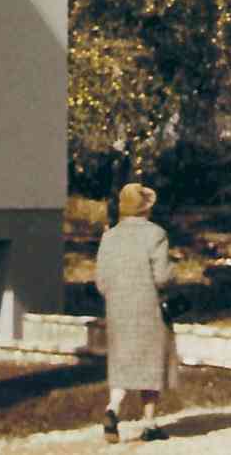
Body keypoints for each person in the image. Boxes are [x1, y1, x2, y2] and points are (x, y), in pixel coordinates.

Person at [95, 182, 175, 443]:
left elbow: (101, 281)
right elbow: (162, 277)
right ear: (145, 208)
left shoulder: (110, 236)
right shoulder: (156, 234)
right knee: (150, 363)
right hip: (148, 306)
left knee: (123, 362)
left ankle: (112, 409)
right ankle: (149, 423)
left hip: (118, 308)